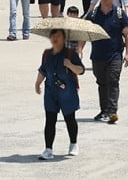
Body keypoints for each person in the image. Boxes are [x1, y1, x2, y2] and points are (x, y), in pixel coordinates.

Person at [82, 0, 128, 124]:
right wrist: (79, 49)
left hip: (115, 55)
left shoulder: (120, 14)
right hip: (97, 56)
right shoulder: (93, 15)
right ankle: (104, 110)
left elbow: (127, 34)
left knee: (113, 82)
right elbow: (85, 34)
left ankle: (112, 112)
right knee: (102, 83)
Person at [35, 29, 85, 160]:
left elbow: (81, 70)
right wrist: (37, 83)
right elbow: (43, 70)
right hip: (51, 91)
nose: (55, 38)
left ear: (64, 39)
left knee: (70, 119)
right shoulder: (47, 54)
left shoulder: (70, 53)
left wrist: (70, 65)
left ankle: (73, 144)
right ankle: (48, 149)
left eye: (58, 36)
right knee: (50, 120)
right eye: (53, 36)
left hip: (67, 92)